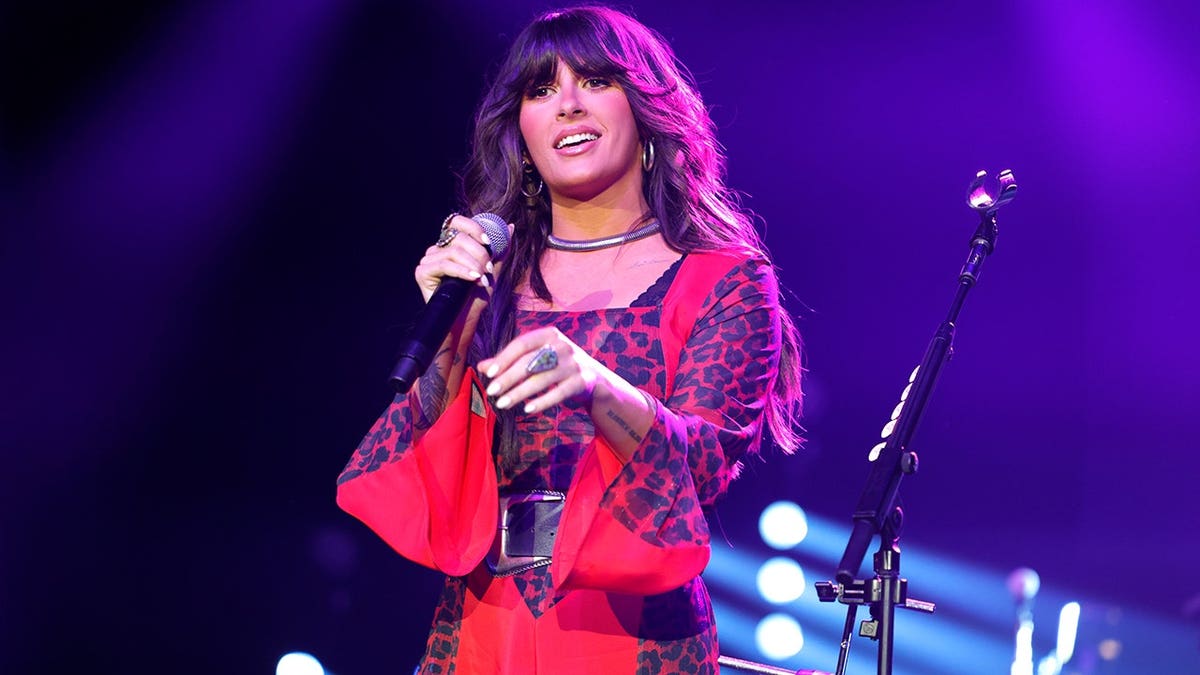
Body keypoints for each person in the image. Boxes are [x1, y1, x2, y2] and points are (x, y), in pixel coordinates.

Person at [337, 6, 804, 673]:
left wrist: (597, 386)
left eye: (594, 81)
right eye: (541, 89)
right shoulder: (488, 277)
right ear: (519, 131)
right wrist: (446, 330)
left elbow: (703, 466)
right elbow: (426, 468)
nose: (568, 106)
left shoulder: (723, 278)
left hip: (630, 630)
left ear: (645, 108)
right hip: (479, 627)